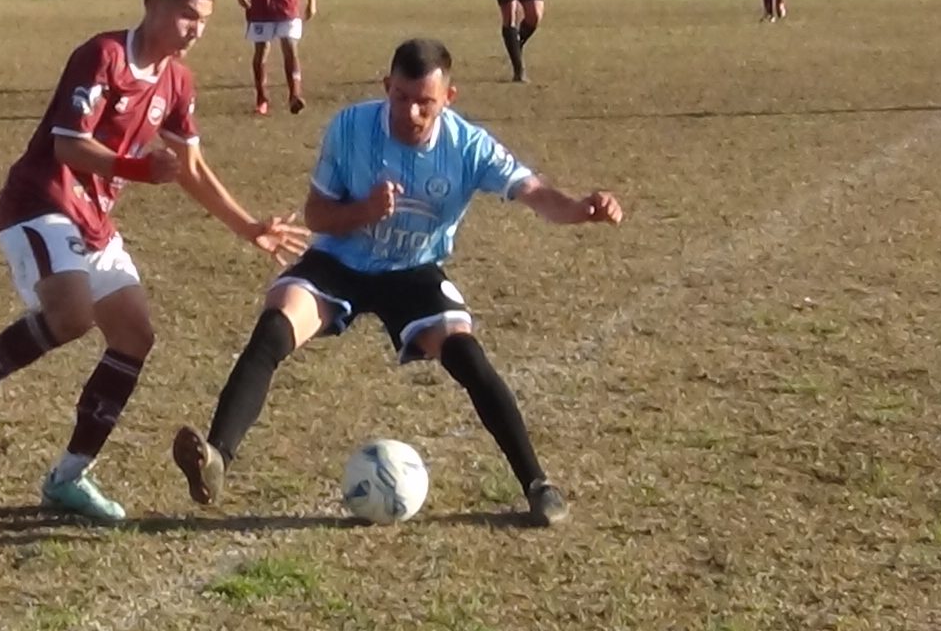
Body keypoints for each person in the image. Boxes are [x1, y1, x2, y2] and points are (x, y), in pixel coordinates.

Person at [0, 0, 308, 521]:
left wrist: (249, 227)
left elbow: (190, 167)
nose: (197, 30)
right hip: (40, 201)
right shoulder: (104, 56)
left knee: (135, 336)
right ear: (156, 7)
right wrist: (135, 169)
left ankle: (69, 477)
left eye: (205, 21)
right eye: (189, 16)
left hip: (93, 217)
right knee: (70, 314)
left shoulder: (177, 81)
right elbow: (69, 147)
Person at [171, 38, 623, 527]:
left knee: (465, 353)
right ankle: (216, 457)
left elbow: (534, 193)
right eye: (401, 97)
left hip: (412, 269)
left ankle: (537, 484)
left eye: (425, 102)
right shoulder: (349, 127)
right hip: (340, 261)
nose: (410, 113)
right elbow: (318, 215)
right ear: (387, 87)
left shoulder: (468, 146)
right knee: (276, 323)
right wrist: (364, 210)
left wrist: (579, 209)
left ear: (448, 97)